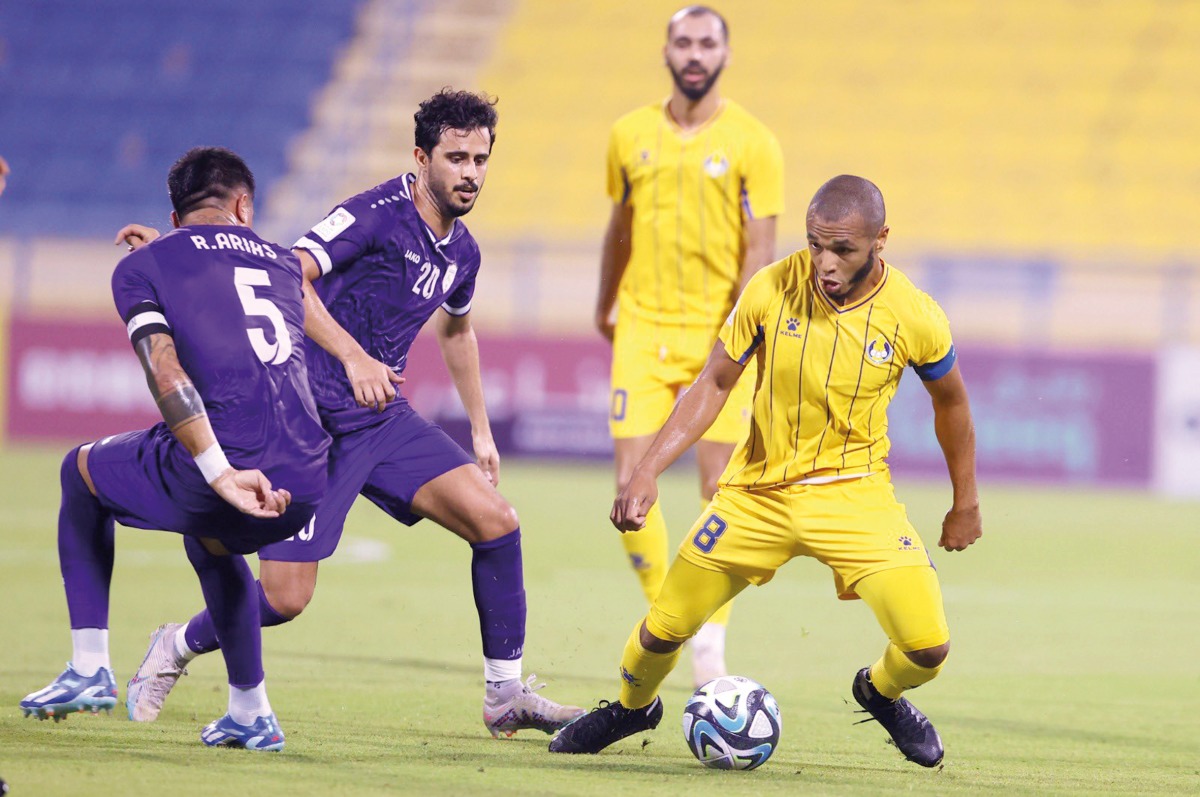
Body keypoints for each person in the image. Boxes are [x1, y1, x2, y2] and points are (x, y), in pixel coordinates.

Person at [121, 89, 582, 737]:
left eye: (480, 158)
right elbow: (287, 272)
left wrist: (480, 430)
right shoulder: (375, 214)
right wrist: (354, 354)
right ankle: (174, 645)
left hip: (378, 417)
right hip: (307, 414)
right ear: (421, 157)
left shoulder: (464, 252)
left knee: (497, 522)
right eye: (456, 157)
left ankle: (504, 696)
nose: (471, 172)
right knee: (286, 597)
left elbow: (457, 333)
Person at [551, 175, 982, 767]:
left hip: (856, 497)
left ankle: (879, 691)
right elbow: (716, 382)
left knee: (929, 648)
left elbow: (952, 402)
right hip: (755, 495)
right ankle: (632, 707)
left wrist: (966, 502)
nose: (824, 263)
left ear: (881, 240)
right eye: (815, 245)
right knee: (661, 632)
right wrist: (648, 470)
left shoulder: (913, 315)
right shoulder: (771, 288)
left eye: (843, 250)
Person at [19, 147, 330, 752]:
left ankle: (89, 669)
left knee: (79, 471)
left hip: (231, 460)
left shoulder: (146, 266)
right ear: (243, 205)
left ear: (175, 209)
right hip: (306, 473)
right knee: (212, 541)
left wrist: (218, 472)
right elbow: (228, 298)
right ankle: (250, 712)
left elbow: (165, 370)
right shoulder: (283, 264)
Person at [596, 5, 783, 686]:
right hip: (642, 328)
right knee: (629, 486)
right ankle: (671, 621)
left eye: (707, 43)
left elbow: (760, 254)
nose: (695, 53)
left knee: (719, 490)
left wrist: (741, 336)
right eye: (684, 42)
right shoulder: (628, 134)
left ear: (725, 55)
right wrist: (603, 303)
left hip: (719, 338)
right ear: (667, 51)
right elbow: (619, 226)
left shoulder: (754, 142)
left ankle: (708, 646)